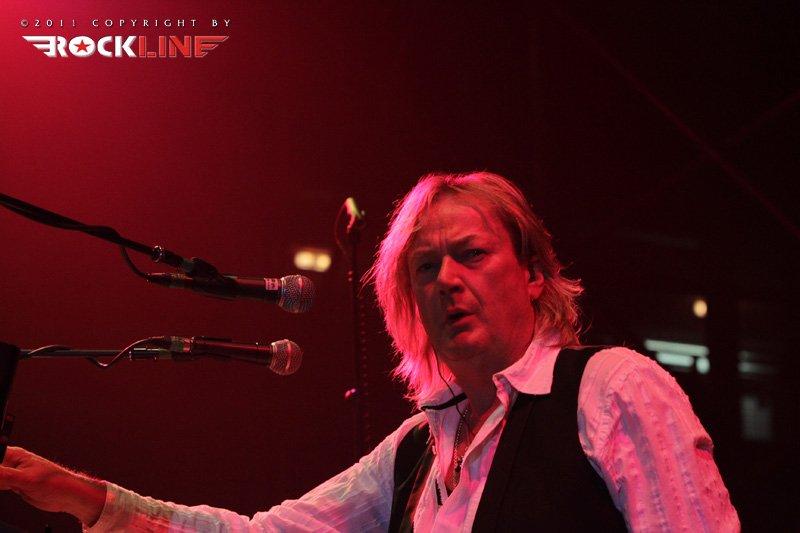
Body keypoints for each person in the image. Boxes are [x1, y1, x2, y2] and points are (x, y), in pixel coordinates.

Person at [0, 171, 739, 531]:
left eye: (472, 254)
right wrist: (88, 497)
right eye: (426, 267)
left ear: (534, 273)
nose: (447, 280)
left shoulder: (611, 388)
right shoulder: (415, 450)